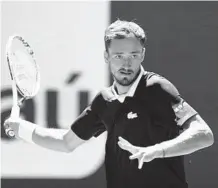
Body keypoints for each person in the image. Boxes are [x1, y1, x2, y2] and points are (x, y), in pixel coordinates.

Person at [4, 20, 214, 188]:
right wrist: (22, 129)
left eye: (133, 55)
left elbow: (204, 135)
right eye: (119, 56)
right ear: (106, 56)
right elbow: (66, 142)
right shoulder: (104, 101)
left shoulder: (156, 88)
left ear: (142, 55)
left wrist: (156, 151)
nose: (126, 63)